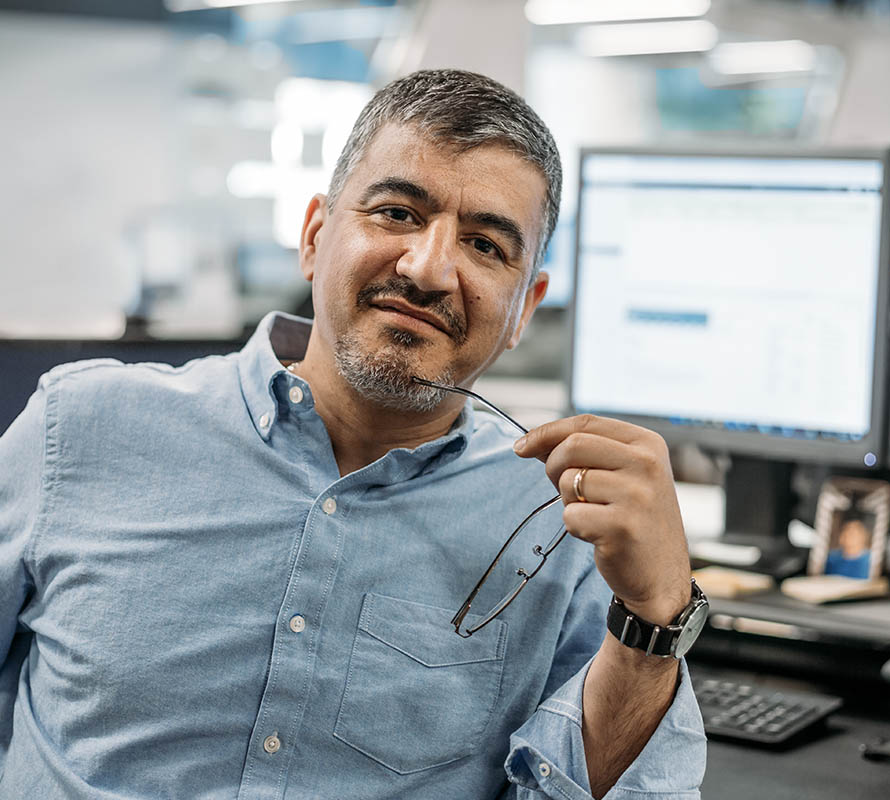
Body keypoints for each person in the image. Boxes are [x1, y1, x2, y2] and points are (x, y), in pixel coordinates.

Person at [0, 69, 705, 799]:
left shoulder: (563, 525)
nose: (429, 269)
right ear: (313, 238)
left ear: (525, 309)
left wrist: (654, 622)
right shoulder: (79, 427)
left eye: (486, 246)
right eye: (398, 212)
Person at [824, 513, 873, 579]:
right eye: (845, 531)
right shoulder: (832, 558)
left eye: (853, 533)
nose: (848, 536)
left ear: (863, 536)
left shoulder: (871, 561)